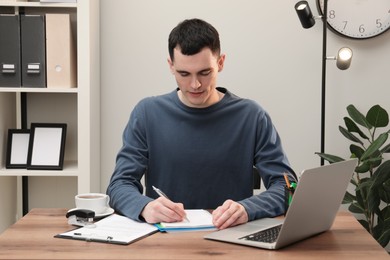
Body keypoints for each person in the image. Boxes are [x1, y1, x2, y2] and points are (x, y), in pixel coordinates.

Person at [107, 18, 296, 230]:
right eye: (184, 74)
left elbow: (289, 187)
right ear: (171, 66)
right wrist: (145, 206)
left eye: (205, 73)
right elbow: (118, 185)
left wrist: (247, 209)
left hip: (232, 238)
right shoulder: (147, 113)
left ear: (221, 63)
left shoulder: (252, 116)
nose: (195, 84)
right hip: (164, 240)